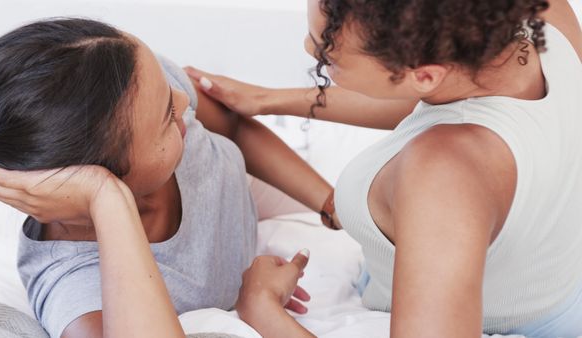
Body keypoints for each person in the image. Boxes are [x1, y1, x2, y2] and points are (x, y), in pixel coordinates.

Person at [184, 0, 582, 337]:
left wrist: (264, 311)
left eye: (327, 53)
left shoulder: (443, 176)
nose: (309, 47)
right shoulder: (528, 18)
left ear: (424, 73)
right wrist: (269, 99)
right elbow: (443, 101)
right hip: (556, 276)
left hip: (518, 322)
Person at [0, 18, 331, 338]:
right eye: (167, 114)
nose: (184, 100)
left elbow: (234, 128)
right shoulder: (73, 284)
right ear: (108, 176)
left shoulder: (141, 86)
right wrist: (107, 199)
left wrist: (330, 204)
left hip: (241, 184)